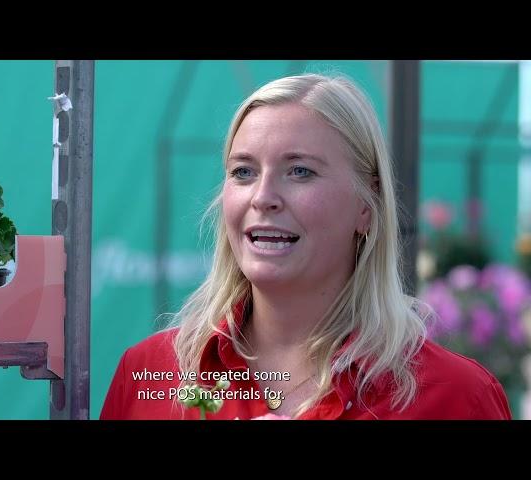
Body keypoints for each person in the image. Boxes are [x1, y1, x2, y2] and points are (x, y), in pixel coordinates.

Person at [100, 73, 512, 420]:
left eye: (300, 171)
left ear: (366, 206)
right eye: (243, 171)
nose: (263, 197)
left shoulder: (457, 397)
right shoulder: (150, 374)